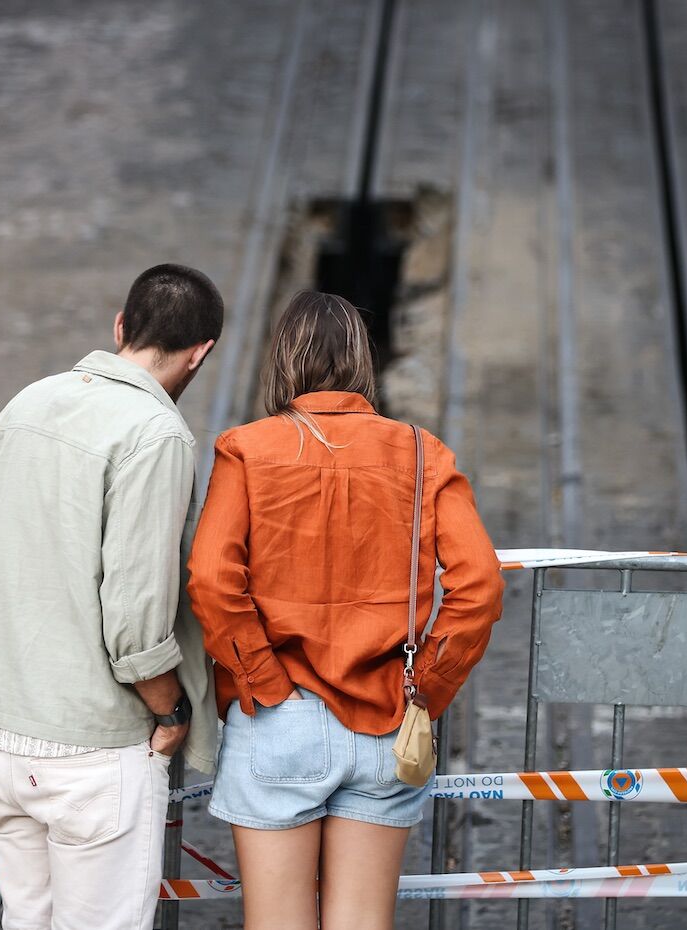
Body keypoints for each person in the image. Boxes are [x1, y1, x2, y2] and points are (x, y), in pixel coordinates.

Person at [188, 290, 505, 930]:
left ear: (283, 360)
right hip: (388, 719)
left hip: (280, 715)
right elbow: (479, 584)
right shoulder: (422, 452)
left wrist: (260, 679)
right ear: (364, 360)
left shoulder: (246, 449)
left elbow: (213, 577)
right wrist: (426, 688)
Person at [0, 263, 224, 930]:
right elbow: (135, 615)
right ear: (201, 353)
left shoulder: (24, 405)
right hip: (94, 745)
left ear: (120, 327)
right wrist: (172, 710)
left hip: (5, 732)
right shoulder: (156, 433)